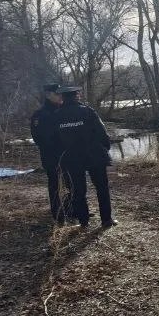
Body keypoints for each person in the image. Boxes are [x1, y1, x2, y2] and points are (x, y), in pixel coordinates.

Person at [56, 85, 115, 229]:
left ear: (62, 98)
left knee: (77, 190)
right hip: (94, 155)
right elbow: (102, 133)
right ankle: (106, 220)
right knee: (102, 187)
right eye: (78, 93)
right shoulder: (88, 111)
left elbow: (53, 140)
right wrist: (105, 149)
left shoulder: (56, 116)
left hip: (71, 158)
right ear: (77, 95)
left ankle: (83, 222)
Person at [29, 83, 64, 223]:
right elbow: (38, 138)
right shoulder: (40, 114)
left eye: (61, 93)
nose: (61, 96)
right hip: (51, 155)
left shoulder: (65, 110)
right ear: (49, 95)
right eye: (57, 94)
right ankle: (57, 213)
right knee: (54, 184)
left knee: (72, 183)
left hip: (68, 155)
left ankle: (72, 209)